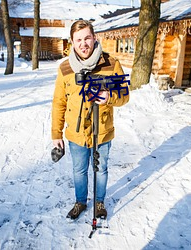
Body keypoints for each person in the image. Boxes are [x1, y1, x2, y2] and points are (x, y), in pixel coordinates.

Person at [51, 20, 129, 220]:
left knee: (101, 168)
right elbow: (59, 102)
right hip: (76, 133)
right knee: (79, 170)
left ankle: (100, 202)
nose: (83, 43)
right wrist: (56, 134)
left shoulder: (111, 64)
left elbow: (124, 95)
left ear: (94, 38)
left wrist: (108, 97)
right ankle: (80, 202)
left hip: (102, 131)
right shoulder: (65, 68)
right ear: (72, 42)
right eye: (79, 40)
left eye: (87, 38)